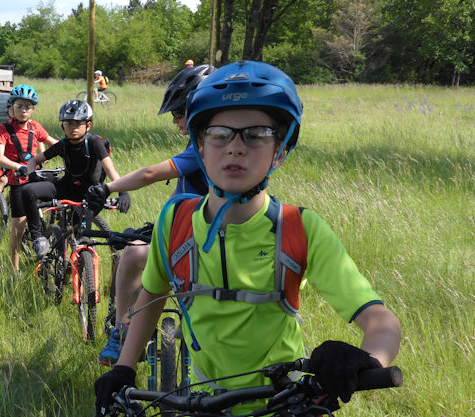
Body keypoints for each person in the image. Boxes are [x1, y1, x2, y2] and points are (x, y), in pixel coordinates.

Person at [94, 60, 401, 416]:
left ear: (280, 150)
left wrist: (365, 358)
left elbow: (380, 319)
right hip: (202, 399)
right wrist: (124, 369)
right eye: (219, 134)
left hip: (283, 400)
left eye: (257, 134)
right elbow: (153, 295)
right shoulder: (174, 221)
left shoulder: (299, 228)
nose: (235, 148)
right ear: (200, 146)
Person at [90, 64, 216, 366]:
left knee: (134, 256)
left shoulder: (209, 144)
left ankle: (124, 331)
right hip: (188, 228)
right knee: (135, 252)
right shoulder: (201, 140)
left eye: (178, 112)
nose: (174, 120)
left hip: (204, 237)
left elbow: (150, 174)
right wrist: (161, 223)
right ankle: (127, 329)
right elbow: (185, 191)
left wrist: (108, 188)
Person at [20, 100, 130, 256]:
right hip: (67, 187)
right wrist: (32, 176)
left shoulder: (94, 143)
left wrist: (123, 192)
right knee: (28, 191)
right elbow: (33, 160)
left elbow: (110, 169)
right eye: (68, 123)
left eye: (78, 123)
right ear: (62, 126)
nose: (73, 128)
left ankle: (85, 273)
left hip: (90, 194)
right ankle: (38, 238)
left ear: (88, 125)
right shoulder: (63, 144)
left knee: (82, 240)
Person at [0, 84, 58, 272]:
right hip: (17, 181)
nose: (24, 110)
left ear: (33, 110)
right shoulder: (4, 129)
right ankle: (14, 269)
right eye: (20, 106)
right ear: (12, 108)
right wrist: (17, 167)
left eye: (28, 107)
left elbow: (55, 144)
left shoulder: (35, 127)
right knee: (18, 228)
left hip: (35, 178)